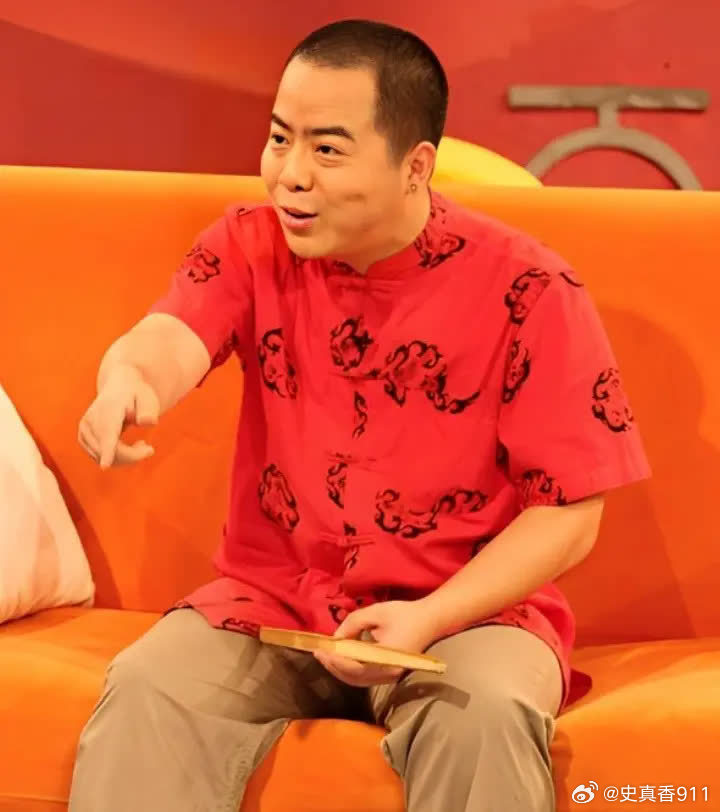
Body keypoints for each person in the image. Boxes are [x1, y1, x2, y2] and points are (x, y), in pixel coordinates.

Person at [70, 19, 650, 812]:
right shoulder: (250, 245)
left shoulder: (532, 289)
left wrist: (432, 615)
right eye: (280, 139)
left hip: (467, 615)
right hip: (277, 604)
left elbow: (571, 515)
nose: (290, 175)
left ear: (416, 165)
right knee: (150, 689)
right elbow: (168, 337)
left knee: (485, 714)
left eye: (327, 150)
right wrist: (127, 383)